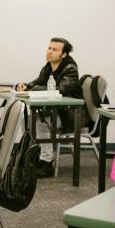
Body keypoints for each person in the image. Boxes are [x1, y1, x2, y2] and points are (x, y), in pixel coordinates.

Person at [16, 37, 82, 178]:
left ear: (63, 54)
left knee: (40, 121)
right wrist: (25, 86)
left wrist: (34, 88)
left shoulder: (70, 68)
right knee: (25, 117)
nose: (49, 51)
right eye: (49, 48)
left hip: (70, 114)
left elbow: (61, 89)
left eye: (54, 49)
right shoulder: (48, 67)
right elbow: (38, 82)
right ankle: (32, 155)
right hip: (55, 112)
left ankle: (47, 162)